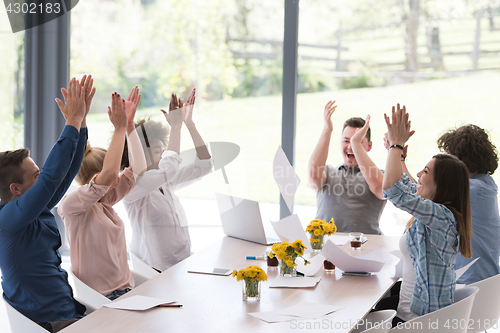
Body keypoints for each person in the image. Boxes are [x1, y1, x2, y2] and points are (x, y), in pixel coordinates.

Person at [0, 76, 94, 332]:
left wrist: (81, 122)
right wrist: (71, 121)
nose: (42, 179)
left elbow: (63, 174)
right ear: (15, 190)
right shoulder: (8, 220)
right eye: (35, 176)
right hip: (53, 325)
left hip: (68, 314)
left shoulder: (32, 211)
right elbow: (51, 178)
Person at [381, 104, 472, 324]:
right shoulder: (439, 212)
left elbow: (393, 191)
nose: (419, 174)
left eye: (426, 171)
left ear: (442, 185)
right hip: (412, 315)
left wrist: (396, 145)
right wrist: (399, 157)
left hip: (417, 324)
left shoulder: (441, 217)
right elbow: (408, 187)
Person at [58, 88, 146, 300]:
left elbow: (140, 169)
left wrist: (130, 125)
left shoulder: (106, 200)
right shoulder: (73, 206)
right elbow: (108, 175)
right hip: (102, 299)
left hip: (127, 292)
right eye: (116, 173)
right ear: (97, 177)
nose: (119, 176)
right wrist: (119, 128)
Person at [121, 88, 213, 272]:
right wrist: (176, 127)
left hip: (184, 263)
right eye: (157, 151)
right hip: (156, 273)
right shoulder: (132, 187)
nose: (163, 155)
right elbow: (169, 168)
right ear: (140, 153)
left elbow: (204, 165)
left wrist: (189, 123)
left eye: (163, 150)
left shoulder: (163, 180)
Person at [308, 100, 386, 234]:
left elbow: (380, 189)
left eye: (357, 141)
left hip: (364, 248)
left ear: (369, 146)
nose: (351, 146)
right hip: (325, 247)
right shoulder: (328, 172)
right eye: (346, 141)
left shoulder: (379, 175)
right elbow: (313, 175)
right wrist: (327, 129)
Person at [437, 124, 500, 285]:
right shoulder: (484, 184)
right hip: (482, 279)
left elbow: (422, 194)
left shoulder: (473, 190)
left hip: (471, 282)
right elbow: (426, 188)